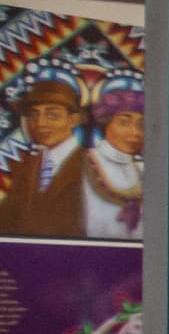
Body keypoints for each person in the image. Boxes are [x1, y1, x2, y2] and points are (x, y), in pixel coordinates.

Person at [2, 73, 89, 237]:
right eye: (34, 115)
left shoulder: (92, 166)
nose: (40, 123)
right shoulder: (25, 165)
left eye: (52, 115)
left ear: (74, 119)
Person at [79, 83, 144, 239]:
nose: (135, 132)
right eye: (124, 122)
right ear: (105, 124)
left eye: (141, 124)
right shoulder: (80, 166)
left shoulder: (143, 170)